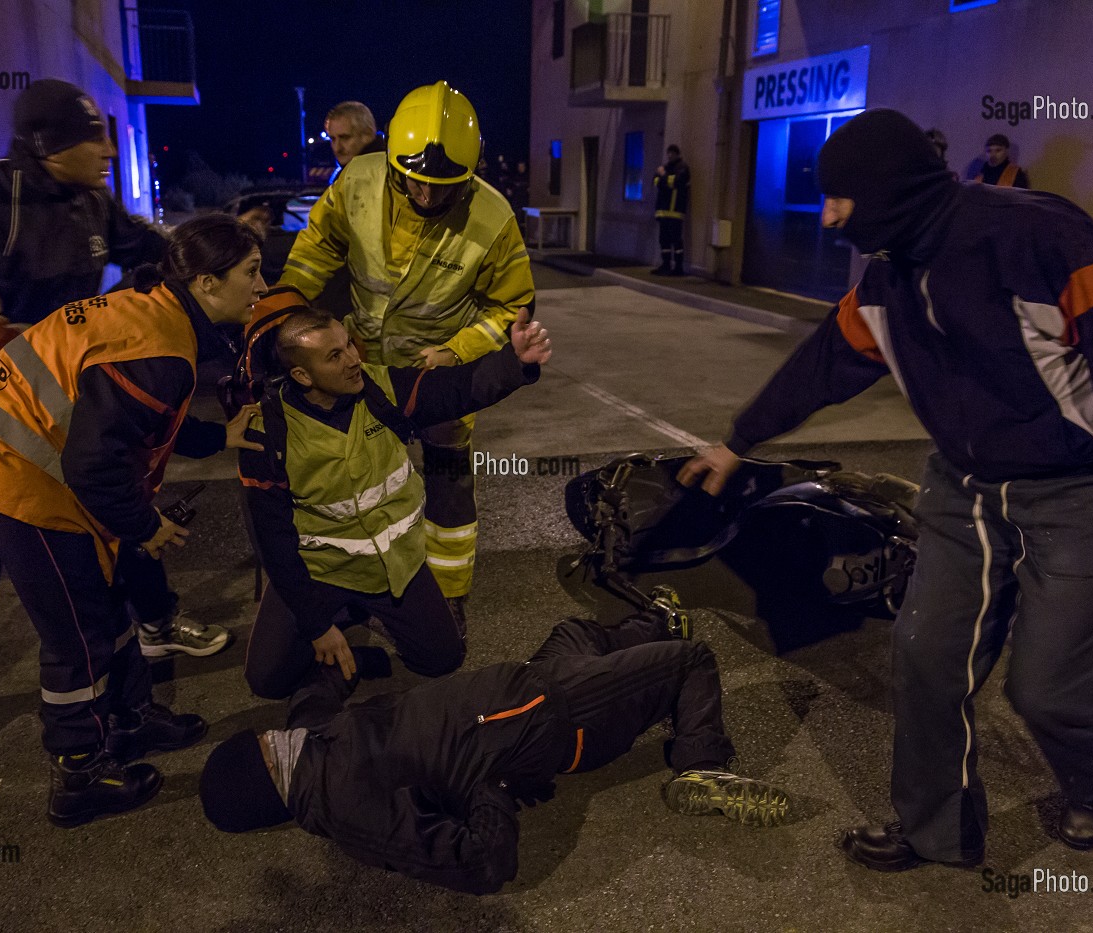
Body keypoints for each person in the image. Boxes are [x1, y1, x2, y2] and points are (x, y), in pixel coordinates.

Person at [679, 109, 1093, 871]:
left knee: (1048, 685)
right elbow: (824, 363)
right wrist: (738, 440)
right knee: (925, 654)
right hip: (965, 489)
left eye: (838, 199)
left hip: (1083, 491)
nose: (826, 216)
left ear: (886, 192)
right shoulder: (888, 279)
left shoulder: (1037, 238)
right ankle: (938, 831)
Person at [0, 78, 228, 755]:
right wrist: (69, 350)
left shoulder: (89, 200)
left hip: (71, 406)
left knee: (113, 522)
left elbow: (149, 248)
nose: (110, 151)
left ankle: (155, 626)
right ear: (48, 146)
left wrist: (213, 253)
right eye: (96, 138)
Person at [0, 214, 268, 827]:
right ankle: (79, 773)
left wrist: (216, 435)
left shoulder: (152, 309)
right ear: (208, 283)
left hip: (8, 450)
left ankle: (128, 720)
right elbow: (96, 463)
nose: (262, 286)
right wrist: (145, 527)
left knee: (105, 600)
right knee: (78, 629)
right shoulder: (162, 347)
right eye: (251, 273)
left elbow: (134, 423)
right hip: (14, 475)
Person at [199, 604, 789, 894]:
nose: (273, 734)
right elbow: (483, 864)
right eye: (266, 744)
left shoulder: (313, 745)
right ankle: (702, 767)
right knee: (694, 661)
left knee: (575, 631)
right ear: (267, 773)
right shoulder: (351, 806)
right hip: (549, 716)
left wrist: (364, 658)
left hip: (528, 687)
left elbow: (316, 694)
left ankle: (652, 634)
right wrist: (493, 786)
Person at [278, 81, 536, 632]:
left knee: (448, 484)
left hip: (438, 373)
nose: (425, 197)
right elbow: (317, 245)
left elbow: (511, 305)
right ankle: (360, 583)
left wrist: (456, 350)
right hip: (362, 365)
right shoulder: (358, 181)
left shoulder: (492, 217)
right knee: (358, 480)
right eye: (414, 182)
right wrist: (285, 312)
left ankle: (449, 593)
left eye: (442, 189)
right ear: (393, 158)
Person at [229, 292, 550, 698]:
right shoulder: (267, 433)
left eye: (348, 345)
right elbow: (273, 539)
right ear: (302, 376)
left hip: (393, 566)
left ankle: (356, 624)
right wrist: (315, 625)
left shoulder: (378, 388)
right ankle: (340, 621)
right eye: (333, 356)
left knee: (442, 660)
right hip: (320, 571)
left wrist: (514, 362)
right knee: (268, 681)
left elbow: (453, 389)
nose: (351, 360)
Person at [651, 145, 691, 276]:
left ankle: (678, 267)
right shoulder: (667, 167)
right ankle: (666, 265)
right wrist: (664, 178)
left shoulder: (682, 167)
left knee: (676, 240)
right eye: (668, 153)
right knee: (664, 240)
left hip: (675, 210)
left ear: (677, 154)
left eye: (672, 153)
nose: (669, 156)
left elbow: (675, 183)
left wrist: (663, 176)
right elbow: (656, 181)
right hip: (663, 210)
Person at [323, 100, 384, 173]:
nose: (337, 148)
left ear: (368, 134)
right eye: (333, 139)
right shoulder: (349, 174)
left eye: (345, 138)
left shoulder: (381, 174)